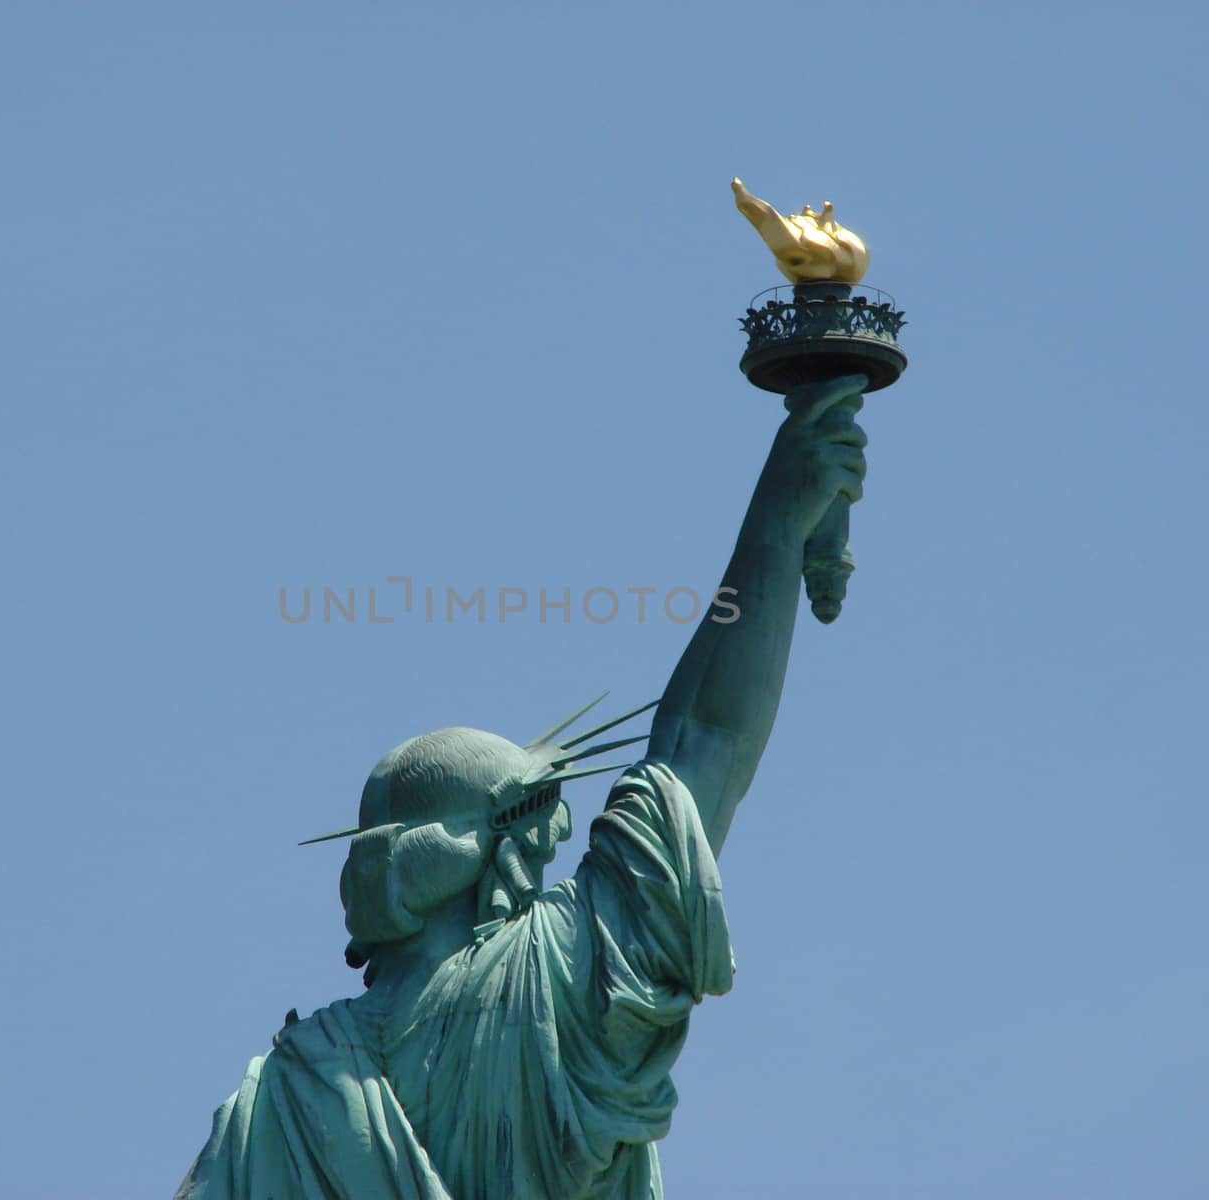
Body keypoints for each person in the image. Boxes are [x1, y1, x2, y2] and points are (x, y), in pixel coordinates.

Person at [175, 375, 870, 1199]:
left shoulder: (279, 1098)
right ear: (502, 840)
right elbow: (704, 743)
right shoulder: (552, 981)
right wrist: (778, 527)